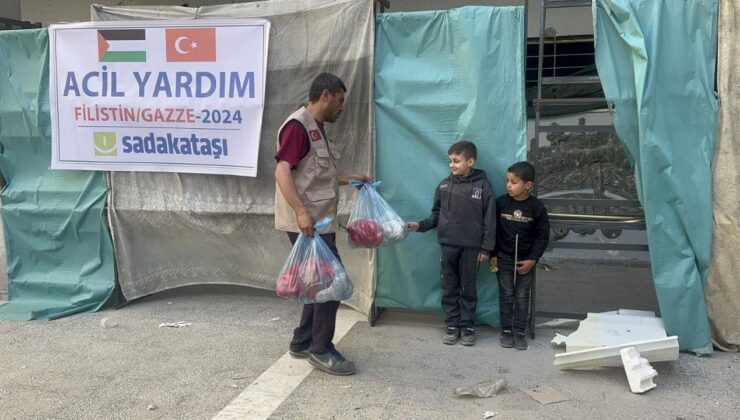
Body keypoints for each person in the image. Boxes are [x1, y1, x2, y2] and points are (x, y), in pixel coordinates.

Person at [274, 73, 369, 376]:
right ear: (325, 95)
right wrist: (301, 212)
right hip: (308, 224)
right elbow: (283, 172)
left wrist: (353, 178)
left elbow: (317, 175)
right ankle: (321, 349)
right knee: (331, 282)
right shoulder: (298, 127)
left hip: (319, 222)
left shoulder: (317, 129)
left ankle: (302, 342)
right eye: (340, 101)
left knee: (318, 283)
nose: (342, 108)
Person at [408, 140, 496, 346]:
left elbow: (490, 219)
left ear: (471, 161)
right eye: (450, 161)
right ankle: (452, 325)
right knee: (449, 286)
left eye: (457, 161)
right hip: (448, 245)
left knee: (468, 287)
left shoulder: (483, 186)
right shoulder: (444, 186)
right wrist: (421, 225)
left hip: (472, 248)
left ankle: (467, 327)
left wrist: (486, 248)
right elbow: (436, 215)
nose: (452, 165)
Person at [492, 161, 550, 351]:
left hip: (525, 261)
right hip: (503, 258)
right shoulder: (500, 203)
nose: (509, 185)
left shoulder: (537, 208)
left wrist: (533, 259)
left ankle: (519, 331)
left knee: (522, 296)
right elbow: (491, 230)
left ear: (528, 185)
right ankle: (506, 331)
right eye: (507, 181)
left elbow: (542, 236)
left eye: (514, 182)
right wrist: (492, 254)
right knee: (506, 295)